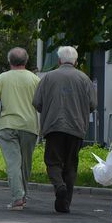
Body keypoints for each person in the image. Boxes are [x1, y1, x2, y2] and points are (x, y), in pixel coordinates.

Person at [33, 46, 97, 213]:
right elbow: (93, 104)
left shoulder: (48, 78)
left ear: (59, 60)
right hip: (76, 127)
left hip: (53, 126)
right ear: (75, 61)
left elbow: (37, 102)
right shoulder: (84, 79)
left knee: (52, 161)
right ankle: (64, 203)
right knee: (71, 164)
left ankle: (59, 186)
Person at [0, 48, 40, 210]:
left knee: (13, 162)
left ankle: (17, 197)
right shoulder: (35, 79)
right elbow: (40, 102)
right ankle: (22, 196)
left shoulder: (3, 78)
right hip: (30, 125)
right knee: (25, 163)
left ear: (9, 61)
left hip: (7, 124)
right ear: (26, 61)